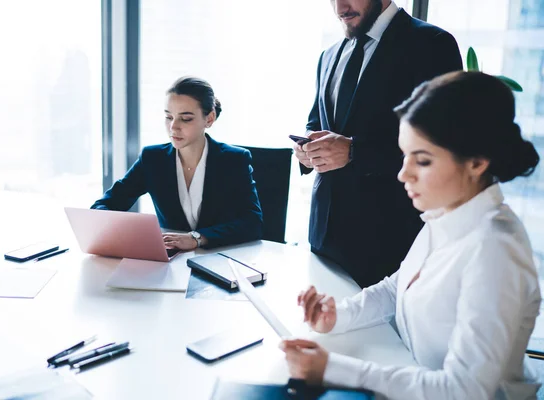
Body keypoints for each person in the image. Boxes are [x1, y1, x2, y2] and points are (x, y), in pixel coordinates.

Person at [281, 71, 541, 399]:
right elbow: (398, 287)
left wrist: (332, 368)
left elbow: (464, 391)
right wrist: (338, 315)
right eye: (405, 155)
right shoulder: (447, 213)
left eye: (422, 160)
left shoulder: (496, 250)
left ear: (476, 163)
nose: (403, 173)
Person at [296, 0, 463, 287]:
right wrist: (307, 150)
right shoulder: (329, 55)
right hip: (323, 236)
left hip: (388, 240)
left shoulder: (432, 44)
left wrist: (354, 151)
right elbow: (317, 122)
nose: (340, 7)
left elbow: (444, 145)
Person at [91, 76, 263, 250]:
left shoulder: (233, 160)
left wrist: (197, 238)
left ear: (209, 119)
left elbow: (252, 223)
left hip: (222, 259)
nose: (174, 127)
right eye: (168, 117)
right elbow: (106, 204)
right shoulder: (153, 158)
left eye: (186, 118)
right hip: (171, 262)